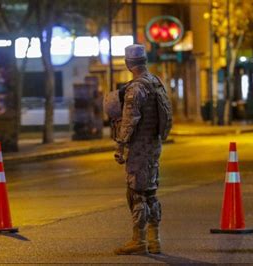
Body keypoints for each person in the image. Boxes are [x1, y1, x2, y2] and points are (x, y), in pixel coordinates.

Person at [104, 44, 172, 255]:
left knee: (136, 193)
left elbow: (130, 120)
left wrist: (120, 145)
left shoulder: (135, 88)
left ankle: (138, 240)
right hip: (154, 145)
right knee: (151, 191)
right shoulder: (156, 82)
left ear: (128, 63)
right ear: (145, 61)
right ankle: (155, 239)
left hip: (139, 147)